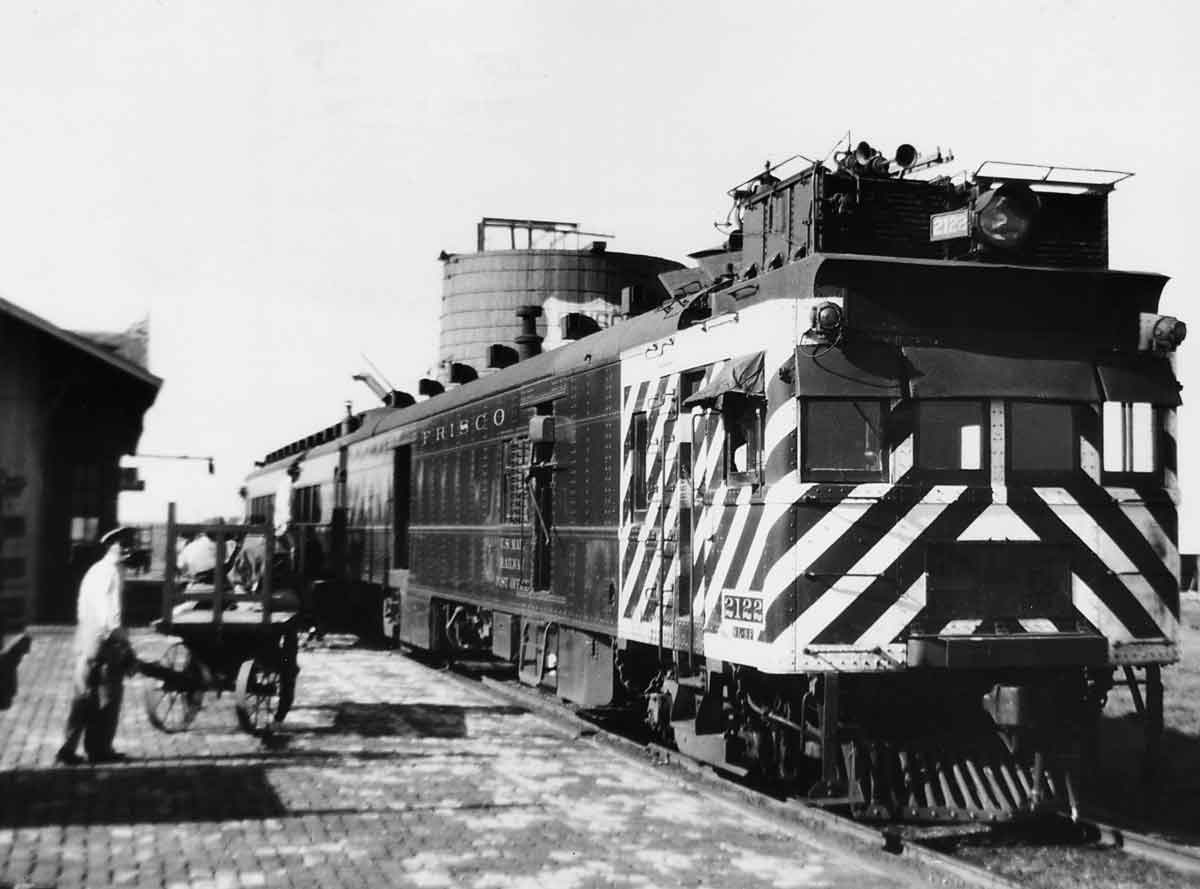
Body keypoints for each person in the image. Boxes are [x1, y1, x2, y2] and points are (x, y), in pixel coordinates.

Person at [56, 526, 136, 765]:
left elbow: (83, 607)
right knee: (108, 696)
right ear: (112, 547)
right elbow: (111, 617)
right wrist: (125, 647)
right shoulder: (112, 572)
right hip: (104, 641)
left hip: (86, 638)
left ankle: (67, 749)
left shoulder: (94, 570)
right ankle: (99, 749)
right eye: (123, 545)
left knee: (82, 697)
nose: (127, 550)